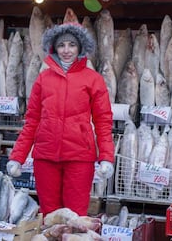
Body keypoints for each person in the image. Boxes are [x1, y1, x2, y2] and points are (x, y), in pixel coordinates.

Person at [7, 22, 115, 216]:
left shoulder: (93, 79)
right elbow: (32, 121)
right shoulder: (43, 79)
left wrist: (106, 156)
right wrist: (17, 156)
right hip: (45, 157)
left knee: (75, 215)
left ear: (80, 47)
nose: (66, 50)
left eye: (71, 45)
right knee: (50, 215)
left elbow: (103, 121)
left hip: (79, 157)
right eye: (61, 45)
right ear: (54, 48)